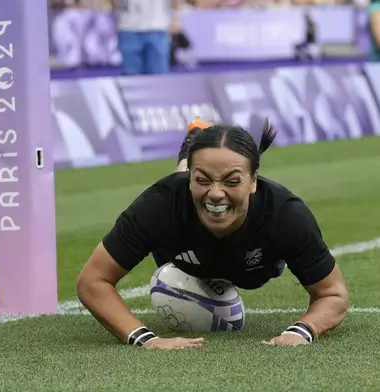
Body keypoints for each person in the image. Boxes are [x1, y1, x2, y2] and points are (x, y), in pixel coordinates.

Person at [76, 118, 349, 349]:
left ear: (254, 182)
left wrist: (302, 331)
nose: (216, 193)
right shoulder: (159, 204)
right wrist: (146, 339)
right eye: (202, 179)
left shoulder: (285, 214)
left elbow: (333, 294)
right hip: (184, 262)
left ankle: (195, 147)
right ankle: (190, 156)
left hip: (252, 273)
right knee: (180, 183)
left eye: (232, 181)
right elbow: (92, 281)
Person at [112, 0, 176, 75]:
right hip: (128, 28)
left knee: (158, 78)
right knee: (132, 78)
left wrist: (176, 16)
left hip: (158, 27)